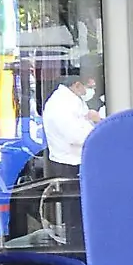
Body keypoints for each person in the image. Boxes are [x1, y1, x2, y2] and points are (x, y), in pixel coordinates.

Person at [41, 72, 102, 246]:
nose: (90, 90)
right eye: (88, 86)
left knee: (79, 212)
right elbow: (76, 136)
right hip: (69, 163)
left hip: (77, 160)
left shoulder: (71, 100)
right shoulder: (61, 104)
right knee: (75, 214)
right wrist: (98, 124)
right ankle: (77, 250)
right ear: (76, 85)